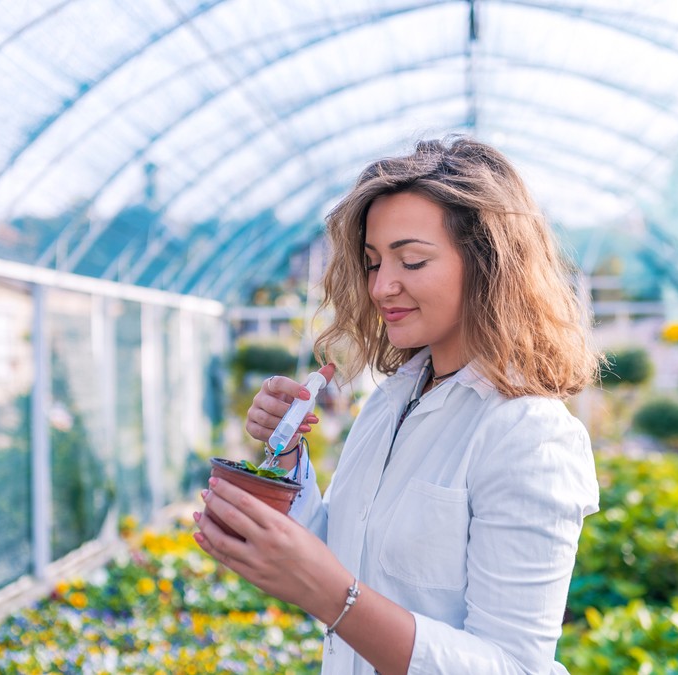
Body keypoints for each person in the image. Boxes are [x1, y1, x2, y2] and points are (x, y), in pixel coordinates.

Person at [193, 137, 600, 674]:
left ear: (488, 264)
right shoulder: (391, 401)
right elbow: (348, 557)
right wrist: (287, 461)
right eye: (372, 262)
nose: (383, 286)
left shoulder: (528, 435)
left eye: (412, 260)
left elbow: (513, 667)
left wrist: (331, 596)